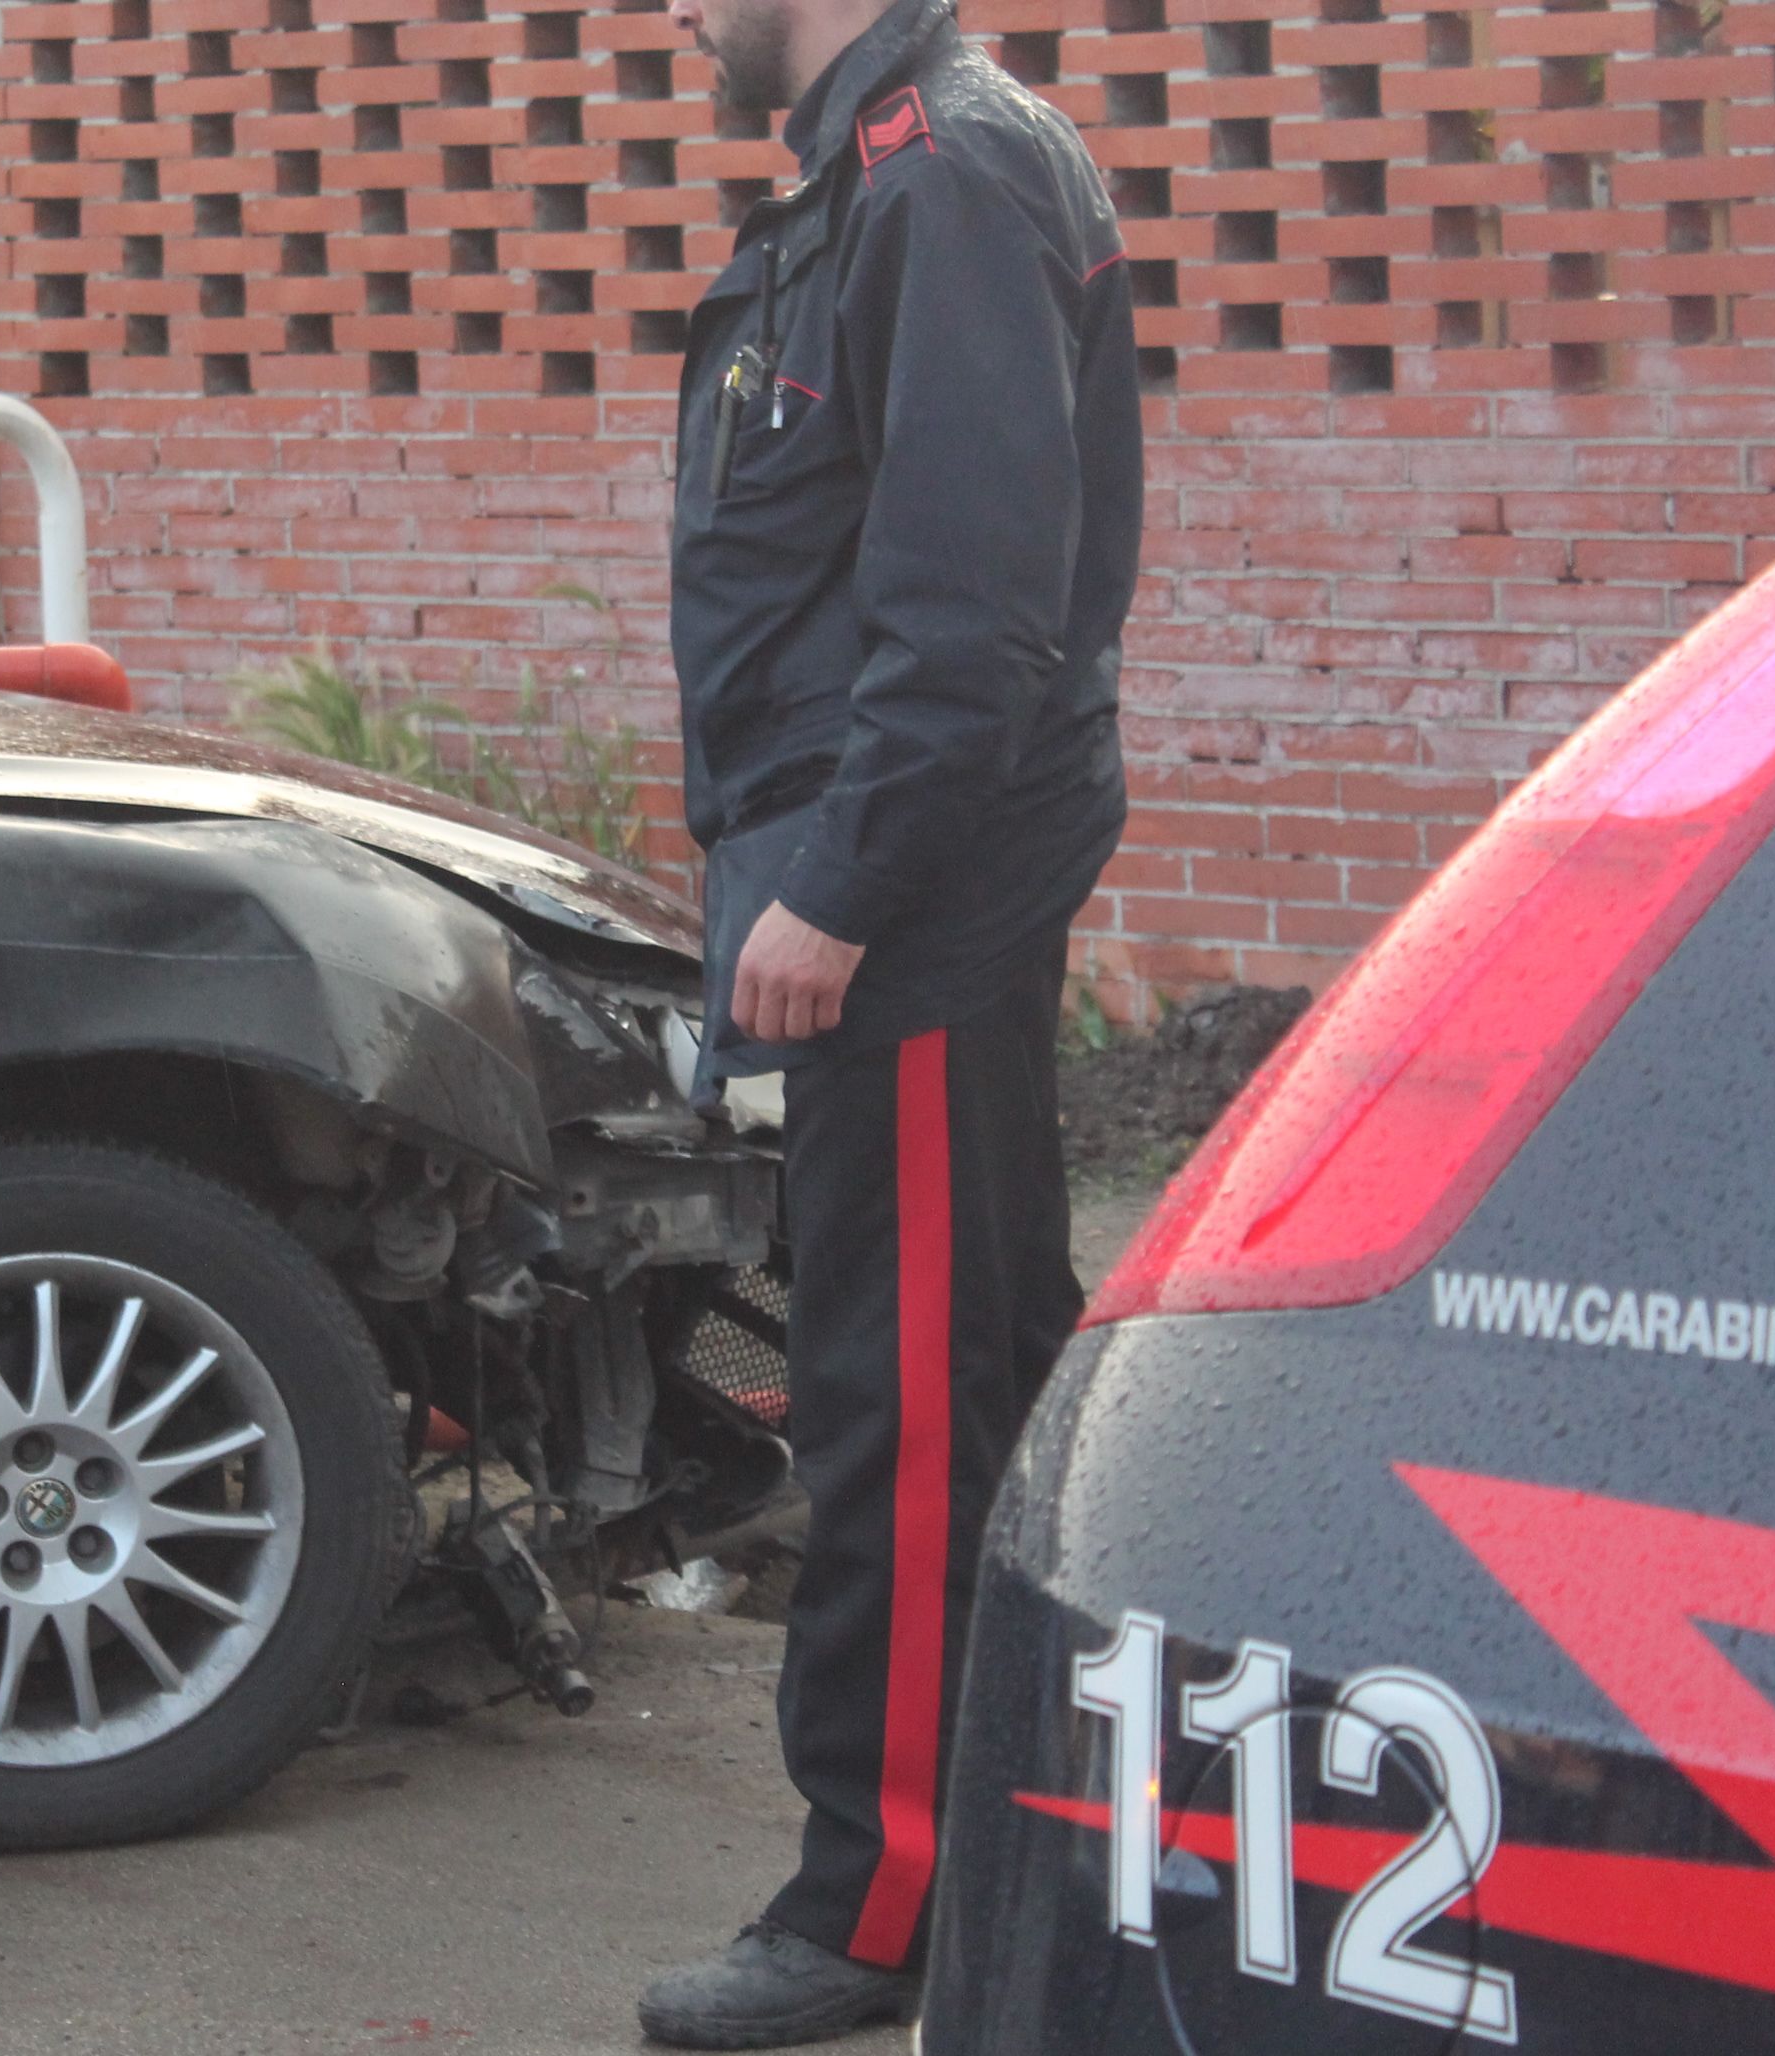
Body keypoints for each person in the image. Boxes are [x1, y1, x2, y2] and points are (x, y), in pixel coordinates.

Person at [635, 0, 1143, 2040]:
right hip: (879, 854)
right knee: (989, 1357)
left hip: (907, 887)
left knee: (901, 1400)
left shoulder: (940, 177)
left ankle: (877, 1904)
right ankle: (1052, 1826)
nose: (668, 11)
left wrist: (836, 887)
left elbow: (968, 600)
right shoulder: (869, 181)